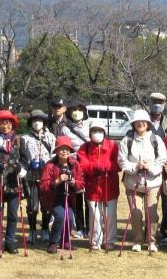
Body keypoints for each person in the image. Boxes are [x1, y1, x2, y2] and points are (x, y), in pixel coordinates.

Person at [117, 109, 167, 253]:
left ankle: (151, 240)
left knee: (151, 212)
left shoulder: (156, 140)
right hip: (133, 183)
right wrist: (135, 167)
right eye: (138, 122)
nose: (141, 124)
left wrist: (149, 167)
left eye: (144, 121)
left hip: (152, 183)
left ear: (148, 123)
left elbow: (162, 159)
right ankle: (137, 240)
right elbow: (122, 161)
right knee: (136, 212)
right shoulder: (127, 140)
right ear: (133, 124)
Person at [0, 109, 30, 254]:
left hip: (14, 182)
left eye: (8, 123)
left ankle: (10, 242)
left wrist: (19, 167)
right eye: (2, 123)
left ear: (13, 124)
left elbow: (25, 159)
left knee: (12, 214)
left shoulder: (19, 140)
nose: (5, 126)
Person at [77, 120, 120, 251]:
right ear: (90, 133)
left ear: (104, 132)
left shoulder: (113, 146)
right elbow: (82, 164)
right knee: (94, 215)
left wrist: (108, 167)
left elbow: (118, 163)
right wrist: (93, 167)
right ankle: (95, 240)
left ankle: (109, 240)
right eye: (94, 131)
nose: (97, 133)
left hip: (109, 185)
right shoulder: (84, 147)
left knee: (110, 214)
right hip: (92, 186)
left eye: (100, 131)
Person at [40, 136, 85, 254]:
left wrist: (74, 182)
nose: (64, 151)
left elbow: (81, 183)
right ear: (56, 151)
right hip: (53, 198)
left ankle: (65, 241)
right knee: (60, 216)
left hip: (69, 197)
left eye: (67, 149)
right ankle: (53, 242)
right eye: (61, 149)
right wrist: (57, 181)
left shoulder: (75, 164)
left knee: (69, 218)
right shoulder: (50, 165)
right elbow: (44, 186)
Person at [21, 109, 56, 244]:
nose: (37, 123)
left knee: (46, 205)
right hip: (31, 175)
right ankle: (32, 231)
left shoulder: (51, 137)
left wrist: (47, 164)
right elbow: (22, 157)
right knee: (32, 205)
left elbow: (55, 155)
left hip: (47, 175)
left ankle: (45, 229)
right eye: (35, 120)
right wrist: (28, 165)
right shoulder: (25, 138)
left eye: (40, 120)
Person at [61, 100, 89, 238]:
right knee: (76, 198)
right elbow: (65, 148)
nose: (77, 113)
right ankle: (80, 227)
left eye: (80, 109)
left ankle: (90, 227)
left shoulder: (90, 126)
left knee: (89, 199)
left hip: (88, 167)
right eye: (74, 110)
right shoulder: (65, 129)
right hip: (74, 166)